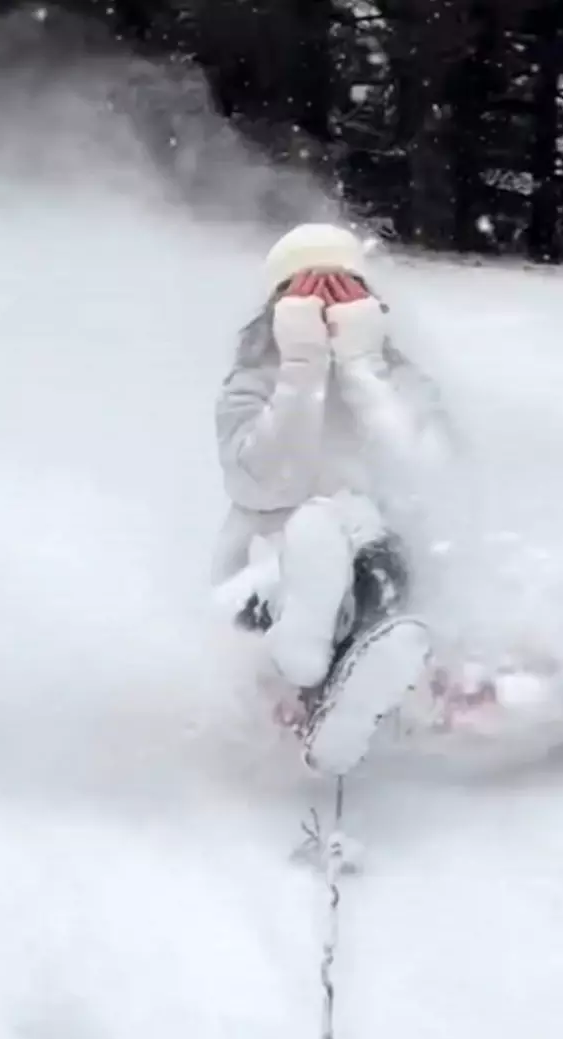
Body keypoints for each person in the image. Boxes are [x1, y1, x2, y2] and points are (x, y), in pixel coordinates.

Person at [211, 222, 493, 769]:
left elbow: (431, 479)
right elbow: (265, 482)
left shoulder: (402, 381)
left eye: (341, 296)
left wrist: (364, 372)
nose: (324, 312)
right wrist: (301, 372)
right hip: (264, 582)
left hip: (382, 578)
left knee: (356, 520)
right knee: (314, 527)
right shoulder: (249, 385)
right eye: (307, 297)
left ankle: (358, 675)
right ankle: (303, 651)